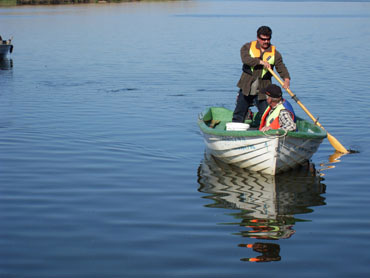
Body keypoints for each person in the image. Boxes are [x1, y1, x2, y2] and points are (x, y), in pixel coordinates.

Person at [232, 26, 291, 123]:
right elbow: (246, 59)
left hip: (264, 87)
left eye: (268, 39)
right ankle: (236, 129)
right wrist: (261, 62)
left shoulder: (275, 53)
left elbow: (281, 66)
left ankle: (268, 130)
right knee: (239, 112)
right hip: (247, 85)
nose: (266, 42)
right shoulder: (247, 47)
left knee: (266, 113)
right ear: (258, 38)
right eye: (263, 39)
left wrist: (286, 79)